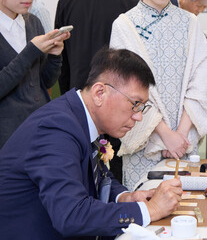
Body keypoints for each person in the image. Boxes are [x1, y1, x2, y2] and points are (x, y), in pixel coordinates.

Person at [0, 48, 183, 239]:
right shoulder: (55, 129)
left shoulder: (81, 117)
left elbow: (98, 175)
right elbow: (71, 215)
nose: (138, 116)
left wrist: (126, 198)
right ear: (99, 93)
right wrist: (149, 210)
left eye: (142, 107)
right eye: (134, 104)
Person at [110, 0, 207, 190]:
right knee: (146, 208)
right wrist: (165, 135)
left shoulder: (189, 23)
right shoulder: (124, 25)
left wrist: (180, 134)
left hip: (183, 140)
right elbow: (126, 90)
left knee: (186, 208)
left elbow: (201, 81)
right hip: (144, 142)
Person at [55, 0, 140, 183]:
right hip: (116, 108)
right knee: (111, 176)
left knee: (77, 173)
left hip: (77, 103)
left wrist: (68, 96)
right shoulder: (132, 4)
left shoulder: (67, 1)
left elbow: (61, 59)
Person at [0, 0, 70, 149]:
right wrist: (31, 51)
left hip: (39, 129)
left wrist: (55, 56)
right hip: (8, 138)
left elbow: (43, 82)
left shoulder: (33, 22)